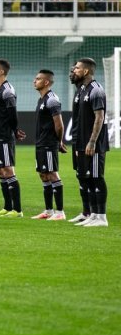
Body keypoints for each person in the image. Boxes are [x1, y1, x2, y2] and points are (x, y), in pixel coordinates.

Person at [70, 58, 110, 227]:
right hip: (80, 142)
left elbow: (99, 117)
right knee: (85, 178)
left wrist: (92, 141)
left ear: (86, 71)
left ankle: (101, 217)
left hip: (93, 144)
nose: (74, 70)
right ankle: (92, 214)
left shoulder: (96, 90)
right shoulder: (81, 90)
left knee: (96, 177)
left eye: (77, 68)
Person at [0, 59, 26, 217]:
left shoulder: (7, 90)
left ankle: (17, 210)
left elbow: (12, 113)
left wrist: (15, 130)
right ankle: (7, 206)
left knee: (8, 170)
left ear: (2, 72)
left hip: (4, 137)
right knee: (0, 171)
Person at [30, 69, 67, 221]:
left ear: (46, 82)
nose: (34, 81)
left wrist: (58, 142)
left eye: (38, 79)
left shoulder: (52, 99)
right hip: (40, 143)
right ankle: (49, 211)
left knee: (52, 174)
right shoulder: (42, 99)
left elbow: (59, 124)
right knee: (43, 175)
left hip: (48, 143)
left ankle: (60, 212)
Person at [67, 67, 91, 223]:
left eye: (74, 71)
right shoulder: (78, 92)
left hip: (86, 143)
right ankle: (86, 211)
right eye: (71, 72)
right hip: (78, 141)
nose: (71, 74)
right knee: (80, 177)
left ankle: (94, 213)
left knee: (89, 177)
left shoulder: (89, 91)